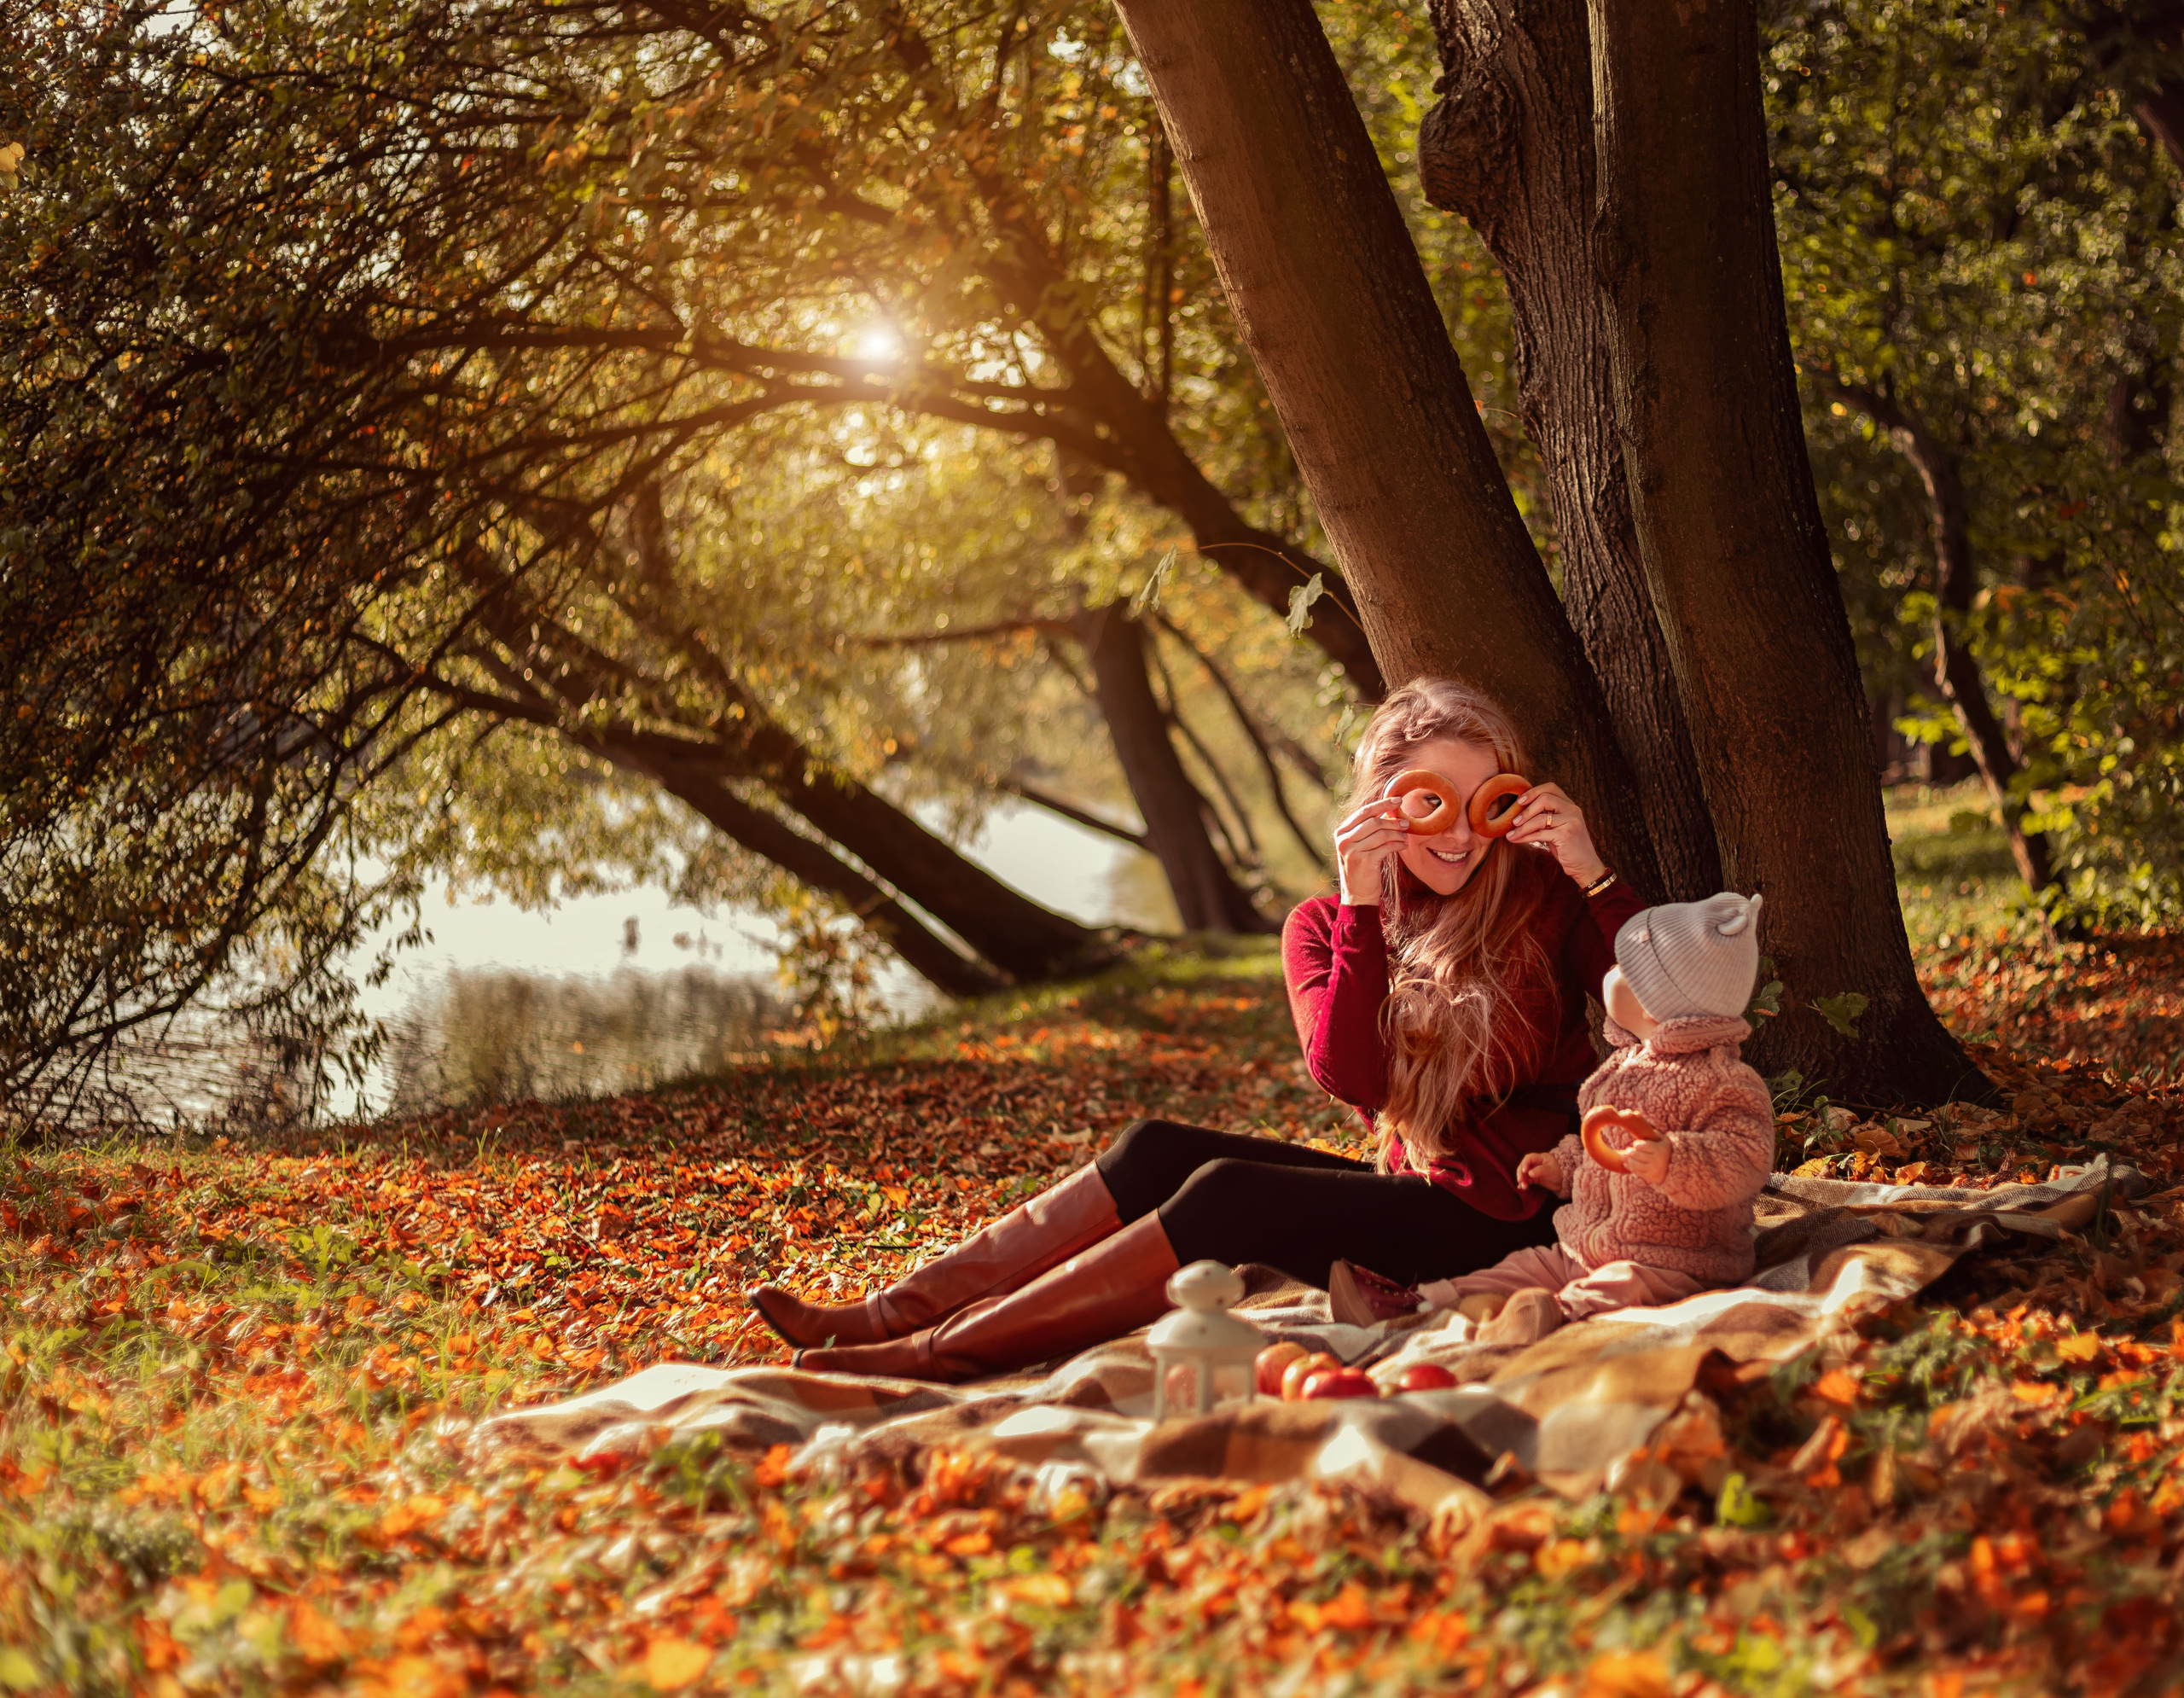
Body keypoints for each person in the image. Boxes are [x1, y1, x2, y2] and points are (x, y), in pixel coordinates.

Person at [750, 678, 1643, 1382]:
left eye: (1478, 798)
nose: (1458, 832)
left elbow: (1672, 1007)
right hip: (1419, 1189)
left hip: (1515, 1210)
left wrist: (1593, 874)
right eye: (1427, 801)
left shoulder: (1543, 899)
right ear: (1381, 804)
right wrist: (1361, 901)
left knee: (1228, 1196)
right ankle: (892, 1313)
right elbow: (1354, 1078)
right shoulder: (1326, 924)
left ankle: (935, 1357)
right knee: (1153, 1148)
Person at [1403, 892, 1776, 1335]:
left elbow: (1747, 1159)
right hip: (1587, 1246)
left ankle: (1551, 1317)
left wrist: (1673, 1160)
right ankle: (1421, 1303)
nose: (1611, 973)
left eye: (1626, 971)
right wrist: (1564, 1165)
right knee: (1526, 1266)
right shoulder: (1623, 1064)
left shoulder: (1724, 1082)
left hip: (1675, 1262)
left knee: (1620, 1286)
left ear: (1659, 1001)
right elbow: (1605, 1147)